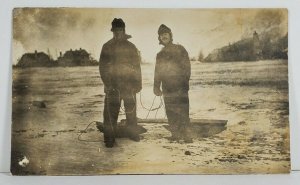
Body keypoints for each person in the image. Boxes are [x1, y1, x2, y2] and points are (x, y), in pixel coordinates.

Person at [99, 18, 142, 148]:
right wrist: (108, 84)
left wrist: (138, 84)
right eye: (116, 30)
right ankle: (109, 138)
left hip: (129, 86)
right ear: (112, 31)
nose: (118, 32)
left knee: (131, 111)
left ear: (124, 30)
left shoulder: (131, 47)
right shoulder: (107, 46)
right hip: (113, 86)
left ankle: (132, 133)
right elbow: (102, 67)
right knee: (110, 113)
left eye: (120, 30)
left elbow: (137, 67)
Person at [153, 24, 192, 143]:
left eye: (165, 34)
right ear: (159, 38)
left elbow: (187, 67)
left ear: (170, 35)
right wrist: (156, 86)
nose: (163, 36)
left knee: (183, 110)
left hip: (180, 86)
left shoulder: (180, 49)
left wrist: (184, 82)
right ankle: (175, 134)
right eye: (161, 35)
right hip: (167, 87)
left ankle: (187, 136)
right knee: (170, 111)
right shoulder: (160, 55)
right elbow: (158, 71)